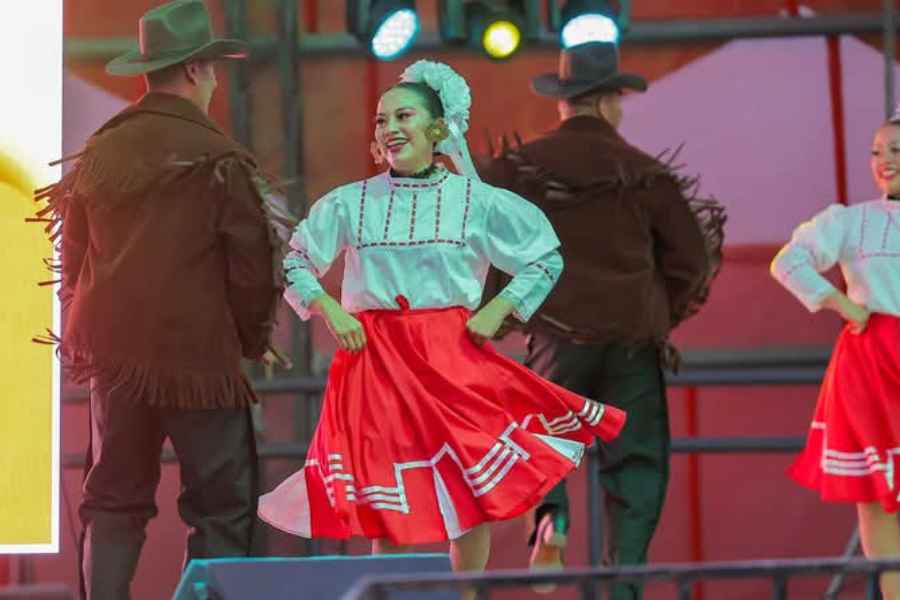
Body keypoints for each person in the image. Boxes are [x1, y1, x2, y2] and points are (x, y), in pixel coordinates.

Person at [257, 60, 626, 595]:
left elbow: (544, 256)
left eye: (403, 116)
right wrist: (329, 309)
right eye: (382, 119)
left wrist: (500, 309)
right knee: (388, 501)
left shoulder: (473, 200)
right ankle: (390, 595)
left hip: (451, 357)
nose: (389, 128)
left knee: (468, 493)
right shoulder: (351, 202)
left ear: (437, 129)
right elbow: (295, 259)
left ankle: (466, 594)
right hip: (375, 363)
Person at [34, 2, 286, 598]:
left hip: (117, 363)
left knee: (111, 500)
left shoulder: (101, 150)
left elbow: (72, 258)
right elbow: (252, 268)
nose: (215, 81)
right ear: (196, 69)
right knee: (221, 508)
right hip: (200, 361)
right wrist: (251, 340)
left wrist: (91, 338)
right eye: (213, 70)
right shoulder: (220, 158)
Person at [480, 42, 723, 598]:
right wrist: (659, 310)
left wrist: (501, 312)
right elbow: (690, 262)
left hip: (556, 337)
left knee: (542, 441)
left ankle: (552, 521)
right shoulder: (645, 173)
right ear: (612, 102)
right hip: (632, 340)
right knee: (636, 468)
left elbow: (486, 245)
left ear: (563, 102)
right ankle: (624, 581)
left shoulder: (520, 170)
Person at [771, 111, 900, 600]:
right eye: (876, 151)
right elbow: (789, 261)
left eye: (896, 150)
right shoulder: (853, 221)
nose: (884, 161)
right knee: (876, 497)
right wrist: (842, 304)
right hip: (871, 363)